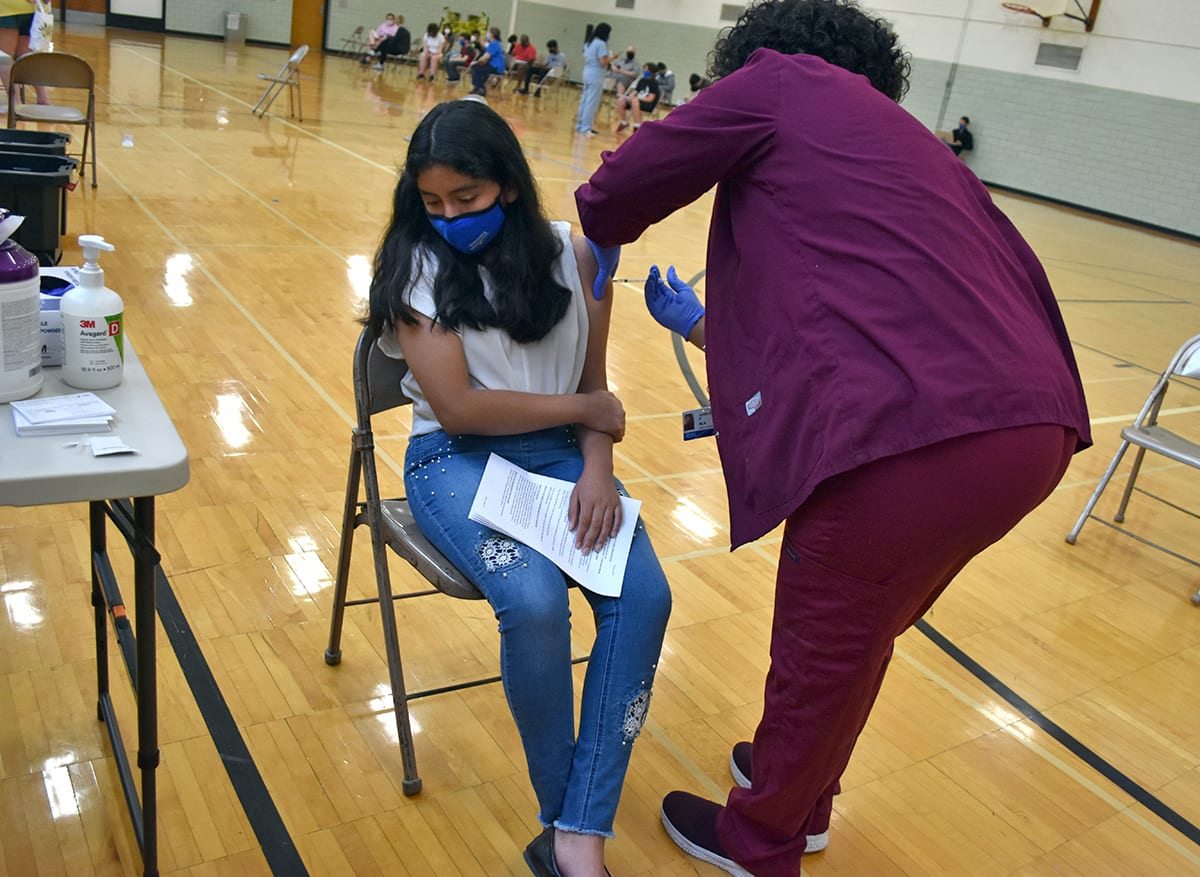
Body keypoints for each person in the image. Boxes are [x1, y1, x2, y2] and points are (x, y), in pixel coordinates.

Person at [575, 2, 1092, 876]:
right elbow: (852, 309)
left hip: (916, 437)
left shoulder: (780, 82)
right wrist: (706, 325)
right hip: (1030, 426)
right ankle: (800, 793)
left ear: (758, 53)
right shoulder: (909, 141)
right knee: (862, 632)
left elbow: (622, 182)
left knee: (824, 637)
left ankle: (760, 839)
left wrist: (599, 232)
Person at [367, 99, 671, 877]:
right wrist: (588, 413)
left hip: (567, 453)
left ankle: (575, 834)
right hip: (455, 457)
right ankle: (570, 823)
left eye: (464, 199)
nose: (447, 217)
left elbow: (595, 383)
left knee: (644, 597)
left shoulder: (576, 253)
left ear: (505, 182)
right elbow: (463, 406)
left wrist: (598, 464)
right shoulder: (411, 267)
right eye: (431, 202)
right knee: (534, 603)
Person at [576, 23, 612, 136]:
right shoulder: (601, 44)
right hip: (596, 74)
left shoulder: (589, 43)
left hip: (587, 71)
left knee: (585, 99)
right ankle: (586, 127)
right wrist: (612, 58)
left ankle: (580, 124)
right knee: (592, 102)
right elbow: (603, 62)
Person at [615, 63, 660, 132]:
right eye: (644, 69)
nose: (644, 71)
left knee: (635, 101)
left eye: (646, 70)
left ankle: (637, 126)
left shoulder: (654, 83)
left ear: (651, 72)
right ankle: (624, 122)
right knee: (621, 100)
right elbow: (635, 92)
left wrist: (636, 99)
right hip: (636, 101)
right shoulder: (642, 80)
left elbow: (650, 99)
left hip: (647, 103)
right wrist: (627, 97)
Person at [469, 26, 506, 96]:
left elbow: (486, 56)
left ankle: (480, 88)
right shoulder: (494, 43)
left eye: (489, 33)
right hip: (493, 65)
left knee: (476, 69)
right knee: (477, 67)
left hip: (496, 67)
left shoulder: (494, 44)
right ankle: (477, 87)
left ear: (492, 34)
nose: (487, 34)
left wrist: (478, 62)